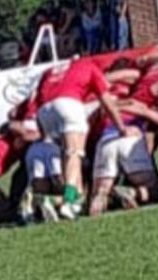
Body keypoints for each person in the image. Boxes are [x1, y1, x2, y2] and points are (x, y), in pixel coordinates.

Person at [33, 56, 127, 218]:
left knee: (66, 155)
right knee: (74, 154)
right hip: (68, 104)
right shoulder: (89, 65)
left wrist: (43, 134)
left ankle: (66, 200)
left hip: (44, 112)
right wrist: (121, 127)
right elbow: (107, 101)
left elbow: (38, 100)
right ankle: (69, 200)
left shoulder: (51, 71)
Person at [85, 80, 158, 216]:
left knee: (101, 188)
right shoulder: (137, 99)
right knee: (153, 188)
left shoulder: (102, 105)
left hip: (106, 140)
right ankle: (133, 192)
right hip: (130, 137)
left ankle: (95, 198)